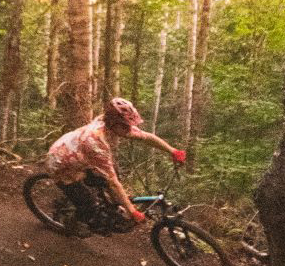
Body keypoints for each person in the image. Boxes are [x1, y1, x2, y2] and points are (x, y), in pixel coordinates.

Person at [45, 97, 185, 230]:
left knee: (109, 179)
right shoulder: (96, 141)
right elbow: (113, 182)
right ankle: (71, 223)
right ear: (114, 123)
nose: (128, 130)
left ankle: (112, 206)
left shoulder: (114, 124)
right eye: (125, 126)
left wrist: (173, 151)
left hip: (78, 154)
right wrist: (132, 211)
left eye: (129, 125)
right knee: (89, 204)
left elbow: (147, 137)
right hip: (61, 163)